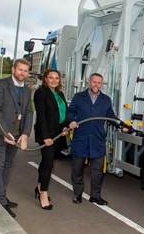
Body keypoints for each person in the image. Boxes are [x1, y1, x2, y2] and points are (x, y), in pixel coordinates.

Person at [0, 58, 33, 218]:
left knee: (7, 166)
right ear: (13, 70)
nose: (22, 73)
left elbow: (29, 112)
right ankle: (0, 199)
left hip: (15, 137)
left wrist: (25, 134)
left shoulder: (27, 90)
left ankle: (1, 194)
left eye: (25, 70)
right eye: (20, 70)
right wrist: (4, 132)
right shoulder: (0, 84)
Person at [67, 73, 128, 205]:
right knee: (77, 169)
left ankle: (95, 196)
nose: (96, 85)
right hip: (81, 138)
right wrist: (71, 121)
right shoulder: (79, 97)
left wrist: (121, 125)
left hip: (97, 140)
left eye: (99, 83)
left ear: (102, 84)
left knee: (98, 172)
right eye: (94, 82)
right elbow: (70, 111)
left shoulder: (106, 99)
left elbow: (110, 116)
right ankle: (77, 194)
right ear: (89, 82)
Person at [33, 69, 68, 210]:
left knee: (47, 161)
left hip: (58, 134)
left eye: (56, 78)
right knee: (48, 164)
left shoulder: (60, 94)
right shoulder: (40, 93)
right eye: (51, 78)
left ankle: (39, 186)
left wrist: (65, 126)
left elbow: (64, 112)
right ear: (45, 79)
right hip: (46, 135)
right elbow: (41, 116)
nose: (54, 80)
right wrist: (46, 137)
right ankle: (44, 195)